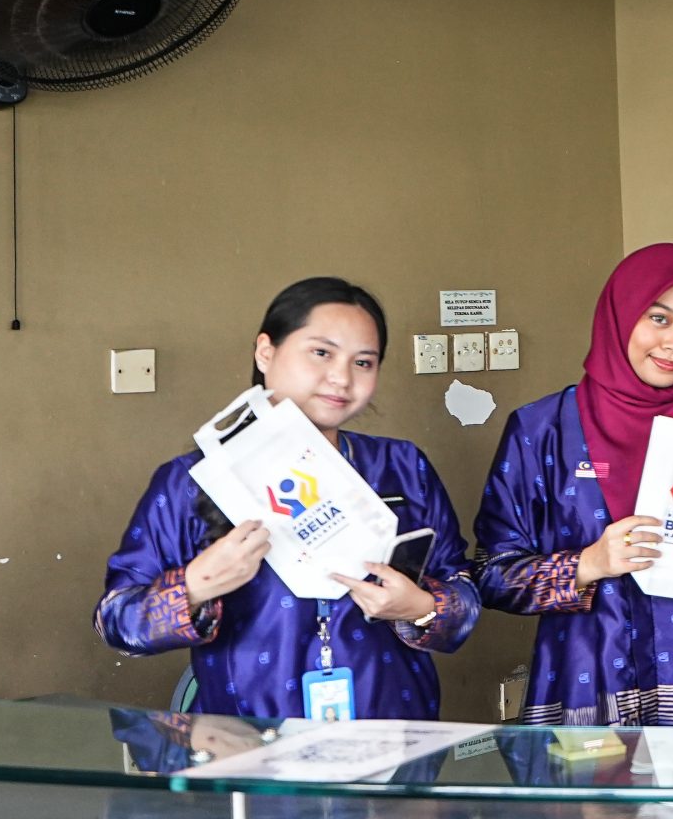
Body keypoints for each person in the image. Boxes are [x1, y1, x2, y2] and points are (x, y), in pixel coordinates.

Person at [96, 277, 480, 719]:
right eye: (321, 353)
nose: (341, 378)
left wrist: (423, 609)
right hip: (248, 737)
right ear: (266, 352)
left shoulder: (402, 466)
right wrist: (194, 587)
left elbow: (464, 594)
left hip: (395, 729)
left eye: (363, 362)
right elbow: (117, 622)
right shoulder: (192, 481)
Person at [475, 244, 673, 725]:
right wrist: (590, 563)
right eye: (659, 319)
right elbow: (492, 576)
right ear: (621, 314)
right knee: (598, 781)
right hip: (587, 685)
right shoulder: (542, 430)